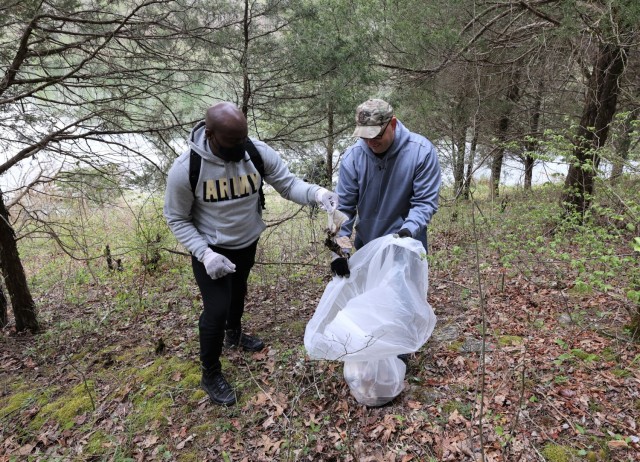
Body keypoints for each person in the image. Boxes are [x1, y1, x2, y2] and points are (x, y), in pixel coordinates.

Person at [164, 102, 338, 406]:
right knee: (216, 308)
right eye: (233, 141)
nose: (241, 146)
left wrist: (317, 194)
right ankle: (210, 372)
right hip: (211, 249)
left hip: (247, 241)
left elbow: (287, 184)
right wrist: (205, 254)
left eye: (244, 138)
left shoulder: (255, 152)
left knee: (239, 291)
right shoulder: (186, 169)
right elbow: (177, 218)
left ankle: (234, 334)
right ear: (211, 133)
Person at [331, 98, 441, 363]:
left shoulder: (421, 152)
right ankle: (371, 352)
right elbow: (344, 207)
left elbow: (425, 203)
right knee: (370, 299)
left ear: (392, 124)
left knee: (401, 301)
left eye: (376, 136)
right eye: (365, 137)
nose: (371, 143)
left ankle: (397, 357)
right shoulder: (354, 157)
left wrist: (406, 232)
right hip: (368, 244)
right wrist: (340, 251)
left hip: (407, 242)